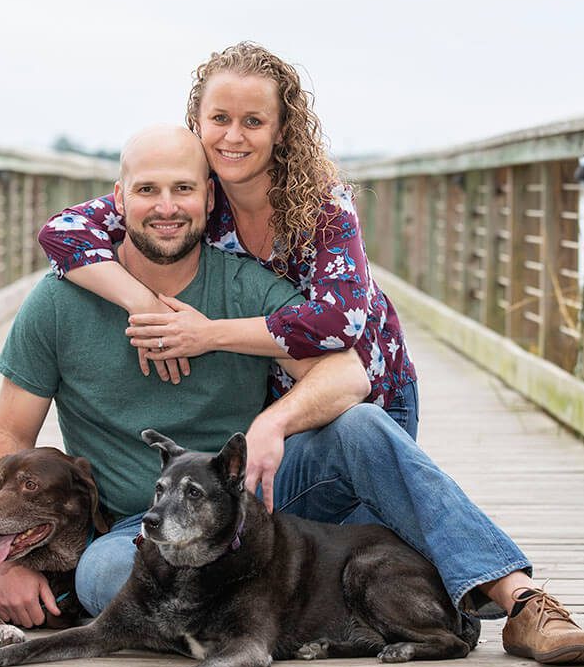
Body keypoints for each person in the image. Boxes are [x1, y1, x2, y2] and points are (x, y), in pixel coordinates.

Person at [0, 125, 584, 665]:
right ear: (118, 199)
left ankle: (519, 599)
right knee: (103, 575)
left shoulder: (245, 286)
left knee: (361, 426)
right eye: (147, 190)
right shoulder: (58, 302)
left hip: (257, 500)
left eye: (183, 189)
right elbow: (10, 434)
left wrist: (273, 423)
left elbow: (349, 375)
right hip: (143, 529)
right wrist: (3, 556)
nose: (166, 207)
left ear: (209, 199)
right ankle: (288, 615)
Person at [38, 42, 420, 438]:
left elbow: (340, 320)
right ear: (198, 122)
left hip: (372, 400)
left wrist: (208, 334)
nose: (233, 136)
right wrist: (146, 305)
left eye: (253, 121)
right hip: (282, 408)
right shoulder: (194, 199)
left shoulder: (323, 204)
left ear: (281, 130)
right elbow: (62, 232)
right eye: (220, 118)